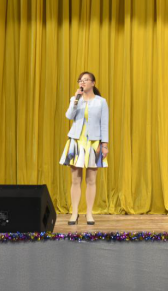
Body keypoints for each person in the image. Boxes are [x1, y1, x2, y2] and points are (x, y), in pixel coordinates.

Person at [59, 71, 109, 225]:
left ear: (93, 83)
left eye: (86, 80)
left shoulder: (101, 102)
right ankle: (74, 213)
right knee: (75, 180)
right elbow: (69, 116)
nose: (82, 82)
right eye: (80, 80)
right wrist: (75, 100)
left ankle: (89, 213)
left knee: (91, 180)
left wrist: (104, 145)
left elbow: (104, 124)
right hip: (76, 142)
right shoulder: (75, 99)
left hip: (94, 143)